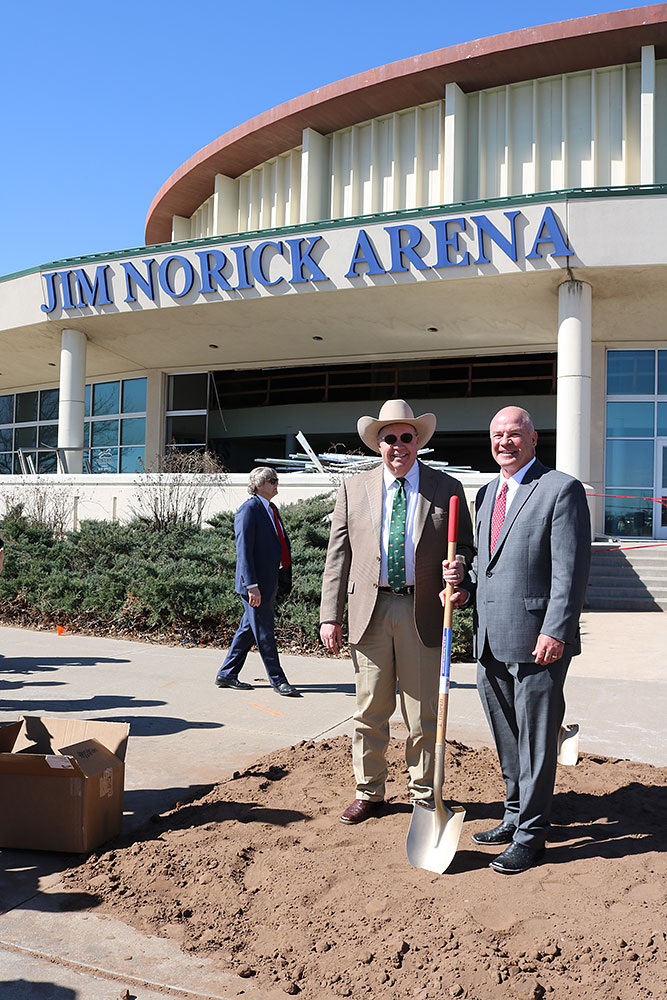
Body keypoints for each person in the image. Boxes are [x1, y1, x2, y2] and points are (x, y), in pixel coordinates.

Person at [445, 405, 590, 874]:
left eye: (514, 434)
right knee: (507, 736)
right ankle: (512, 815)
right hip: (490, 638)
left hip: (537, 640)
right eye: (496, 435)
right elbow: (487, 564)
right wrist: (461, 581)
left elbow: (571, 571)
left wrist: (556, 630)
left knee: (537, 741)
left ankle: (532, 835)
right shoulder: (487, 493)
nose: (504, 442)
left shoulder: (560, 489)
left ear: (533, 440)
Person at [320, 399, 474, 824]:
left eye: (407, 437)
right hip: (369, 610)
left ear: (418, 440)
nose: (399, 445)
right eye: (390, 438)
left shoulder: (446, 488)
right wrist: (328, 615)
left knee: (423, 713)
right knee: (369, 710)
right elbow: (338, 557)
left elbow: (466, 548)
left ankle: (425, 794)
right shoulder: (353, 489)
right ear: (378, 444)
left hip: (422, 611)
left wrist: (459, 566)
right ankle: (369, 791)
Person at [215, 467, 298, 697]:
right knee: (264, 631)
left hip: (269, 581)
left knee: (248, 629)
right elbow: (243, 551)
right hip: (255, 585)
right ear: (259, 485)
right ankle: (278, 680)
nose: (276, 484)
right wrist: (251, 586)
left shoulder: (271, 509)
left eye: (276, 480)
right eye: (272, 481)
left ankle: (227, 673)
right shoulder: (248, 510)